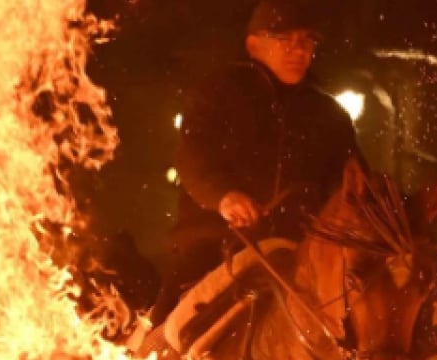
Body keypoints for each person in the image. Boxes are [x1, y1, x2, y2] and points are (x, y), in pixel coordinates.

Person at [148, 0, 366, 327]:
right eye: (285, 39)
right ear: (253, 45)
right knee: (169, 332)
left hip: (300, 253)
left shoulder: (328, 116)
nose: (299, 50)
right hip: (214, 244)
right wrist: (224, 196)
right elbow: (193, 156)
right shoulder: (218, 95)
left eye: (307, 41)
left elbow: (355, 182)